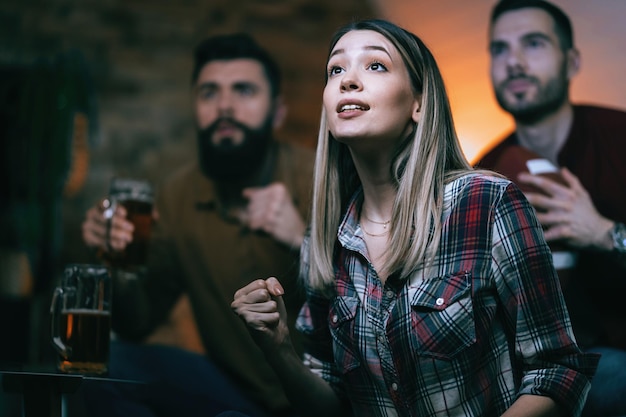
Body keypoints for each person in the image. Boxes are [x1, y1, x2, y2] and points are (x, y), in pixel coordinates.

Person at [231, 18, 599, 417]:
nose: (348, 80)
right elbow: (331, 406)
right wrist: (279, 348)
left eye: (375, 66)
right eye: (336, 69)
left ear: (419, 104)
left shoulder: (487, 202)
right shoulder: (324, 238)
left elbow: (558, 369)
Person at [80, 33, 314, 417]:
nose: (224, 105)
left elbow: (380, 304)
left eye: (243, 90)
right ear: (195, 108)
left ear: (277, 113)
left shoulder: (319, 177)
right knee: (108, 366)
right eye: (209, 93)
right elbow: (137, 324)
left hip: (321, 400)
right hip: (237, 392)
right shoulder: (178, 196)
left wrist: (302, 240)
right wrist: (117, 263)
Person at [476, 1, 626, 415]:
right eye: (500, 49)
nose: (514, 62)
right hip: (532, 377)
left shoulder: (619, 138)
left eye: (534, 43)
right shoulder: (483, 175)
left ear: (572, 61)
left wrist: (603, 233)